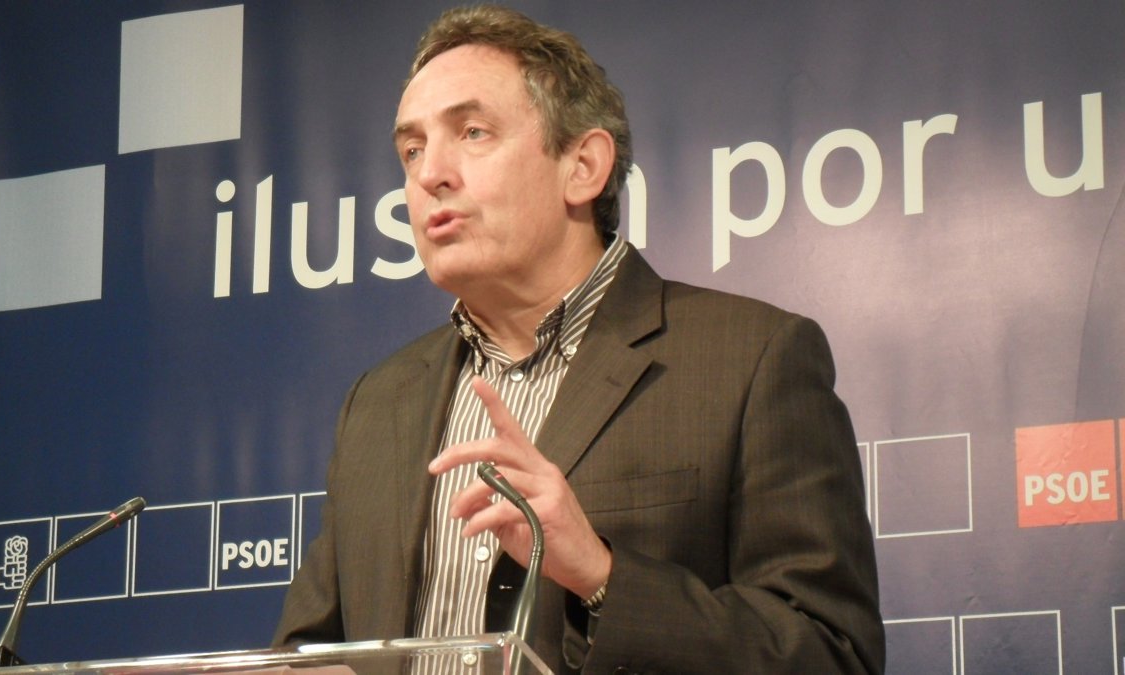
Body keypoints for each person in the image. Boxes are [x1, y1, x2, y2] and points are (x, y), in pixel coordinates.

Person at [273, 5, 884, 673]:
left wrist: (599, 574)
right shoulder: (376, 402)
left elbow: (831, 654)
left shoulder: (752, 360)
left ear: (584, 166)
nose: (429, 174)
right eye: (412, 150)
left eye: (472, 132)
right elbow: (306, 653)